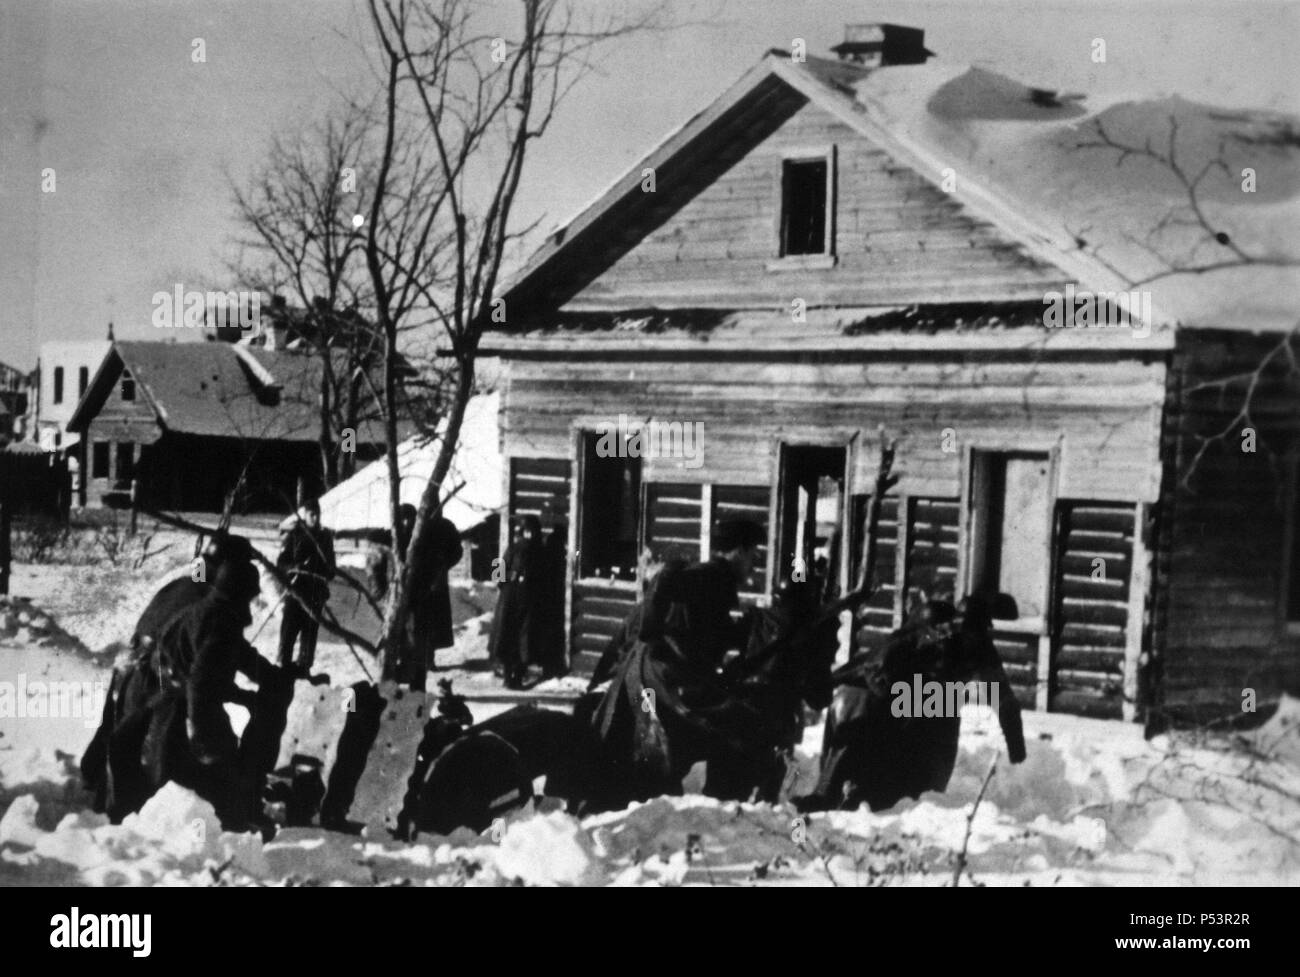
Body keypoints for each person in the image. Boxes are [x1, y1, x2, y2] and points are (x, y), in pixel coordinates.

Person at [799, 594, 1026, 812]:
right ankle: (832, 795)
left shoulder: (979, 650)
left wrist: (1017, 750)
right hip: (883, 696)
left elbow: (1004, 701)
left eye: (975, 632)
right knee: (857, 713)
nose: (968, 637)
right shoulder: (928, 636)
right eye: (963, 629)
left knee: (919, 794)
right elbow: (871, 665)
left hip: (921, 707)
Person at [142, 549, 277, 831]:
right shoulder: (219, 622)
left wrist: (269, 676)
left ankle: (230, 817)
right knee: (217, 760)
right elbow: (201, 682)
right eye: (250, 596)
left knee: (216, 757)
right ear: (239, 594)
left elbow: (235, 656)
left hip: (176, 693)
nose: (252, 603)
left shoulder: (214, 611)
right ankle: (230, 826)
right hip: (176, 701)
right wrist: (200, 732)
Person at [398, 503, 464, 689]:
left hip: (437, 581)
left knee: (434, 622)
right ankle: (420, 659)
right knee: (421, 623)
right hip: (422, 583)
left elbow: (457, 551)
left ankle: (430, 658)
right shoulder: (421, 528)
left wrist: (444, 564)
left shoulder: (446, 527)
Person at [276, 498, 335, 675]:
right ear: (306, 515)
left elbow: (331, 568)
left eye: (318, 514)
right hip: (295, 591)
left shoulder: (325, 537)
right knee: (288, 633)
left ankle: (304, 670)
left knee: (309, 637)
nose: (315, 518)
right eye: (312, 515)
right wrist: (296, 568)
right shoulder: (295, 535)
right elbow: (281, 563)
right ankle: (282, 668)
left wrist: (324, 570)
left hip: (315, 593)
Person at [488, 515, 545, 689]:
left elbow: (544, 578)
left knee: (525, 640)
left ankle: (518, 677)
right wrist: (507, 585)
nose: (528, 535)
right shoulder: (513, 548)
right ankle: (506, 676)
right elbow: (498, 573)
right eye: (526, 531)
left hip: (529, 601)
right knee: (507, 637)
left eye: (532, 532)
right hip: (510, 599)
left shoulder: (540, 552)